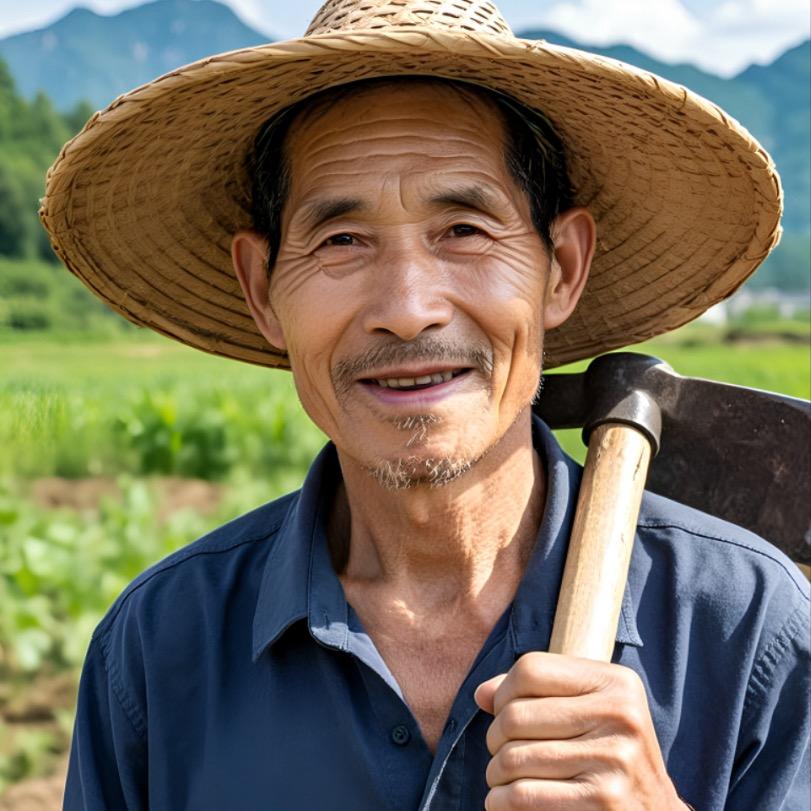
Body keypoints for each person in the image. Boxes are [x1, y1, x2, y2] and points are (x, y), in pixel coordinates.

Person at [41, 1, 809, 809]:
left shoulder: (747, 626)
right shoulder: (161, 647)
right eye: (341, 240)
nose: (407, 307)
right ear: (262, 290)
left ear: (561, 267)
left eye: (465, 229)